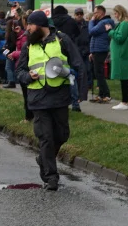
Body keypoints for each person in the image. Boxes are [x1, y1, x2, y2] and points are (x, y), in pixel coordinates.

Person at [15, 10, 83, 191]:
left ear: (40, 25)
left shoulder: (62, 40)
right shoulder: (28, 46)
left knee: (62, 135)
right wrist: (28, 76)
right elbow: (19, 71)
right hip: (38, 99)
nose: (27, 28)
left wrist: (80, 88)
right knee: (46, 137)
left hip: (59, 96)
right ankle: (51, 177)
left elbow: (77, 63)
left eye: (30, 24)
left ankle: (43, 159)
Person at [105, 5, 128, 110]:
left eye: (116, 13)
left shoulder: (125, 24)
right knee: (124, 79)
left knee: (124, 79)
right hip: (122, 55)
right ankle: (124, 101)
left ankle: (124, 102)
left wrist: (110, 31)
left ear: (120, 12)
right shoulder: (125, 24)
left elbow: (119, 38)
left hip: (122, 55)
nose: (115, 16)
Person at [88, 5, 114, 103]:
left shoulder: (104, 22)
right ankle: (101, 95)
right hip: (96, 50)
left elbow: (91, 32)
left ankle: (106, 94)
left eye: (95, 13)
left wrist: (91, 21)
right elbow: (94, 37)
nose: (94, 15)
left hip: (100, 49)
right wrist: (92, 51)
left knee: (99, 73)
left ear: (101, 13)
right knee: (98, 73)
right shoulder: (100, 23)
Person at [73, 8, 91, 102]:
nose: (79, 15)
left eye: (81, 13)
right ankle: (78, 94)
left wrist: (88, 50)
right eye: (77, 14)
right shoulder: (72, 25)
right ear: (75, 15)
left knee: (86, 73)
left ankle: (83, 94)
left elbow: (89, 37)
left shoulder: (86, 25)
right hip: (76, 52)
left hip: (85, 51)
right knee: (77, 74)